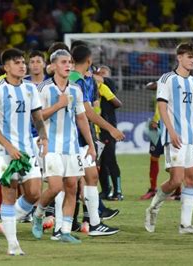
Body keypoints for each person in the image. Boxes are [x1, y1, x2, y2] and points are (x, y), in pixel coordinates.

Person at [145, 42, 193, 235]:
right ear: (179, 57)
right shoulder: (167, 79)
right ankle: (153, 208)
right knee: (176, 180)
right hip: (173, 137)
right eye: (189, 57)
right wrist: (171, 131)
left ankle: (185, 225)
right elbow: (162, 107)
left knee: (191, 178)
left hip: (192, 138)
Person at [0, 48, 48, 255]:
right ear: (6, 67)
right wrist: (8, 147)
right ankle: (13, 244)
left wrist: (44, 137)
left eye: (23, 62)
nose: (22, 66)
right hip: (5, 152)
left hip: (28, 149)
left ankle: (7, 221)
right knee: (9, 194)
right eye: (17, 63)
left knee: (34, 192)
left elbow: (37, 117)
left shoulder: (30, 88)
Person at [32, 49, 96, 243]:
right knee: (54, 187)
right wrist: (58, 105)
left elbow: (82, 118)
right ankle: (38, 214)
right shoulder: (43, 88)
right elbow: (37, 116)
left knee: (72, 188)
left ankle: (65, 231)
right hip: (50, 146)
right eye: (63, 62)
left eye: (69, 62)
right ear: (53, 66)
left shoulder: (75, 89)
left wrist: (91, 146)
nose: (68, 65)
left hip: (72, 147)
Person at [69, 44, 122, 236]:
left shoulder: (84, 79)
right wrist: (111, 128)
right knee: (69, 183)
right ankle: (41, 216)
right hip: (73, 138)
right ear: (89, 61)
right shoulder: (76, 81)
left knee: (89, 177)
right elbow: (87, 112)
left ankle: (93, 223)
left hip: (82, 137)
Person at [95, 65, 123, 200]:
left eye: (104, 73)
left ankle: (118, 191)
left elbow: (118, 103)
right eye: (99, 73)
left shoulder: (109, 83)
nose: (101, 75)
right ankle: (106, 191)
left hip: (108, 129)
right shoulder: (93, 87)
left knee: (110, 160)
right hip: (95, 129)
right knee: (99, 162)